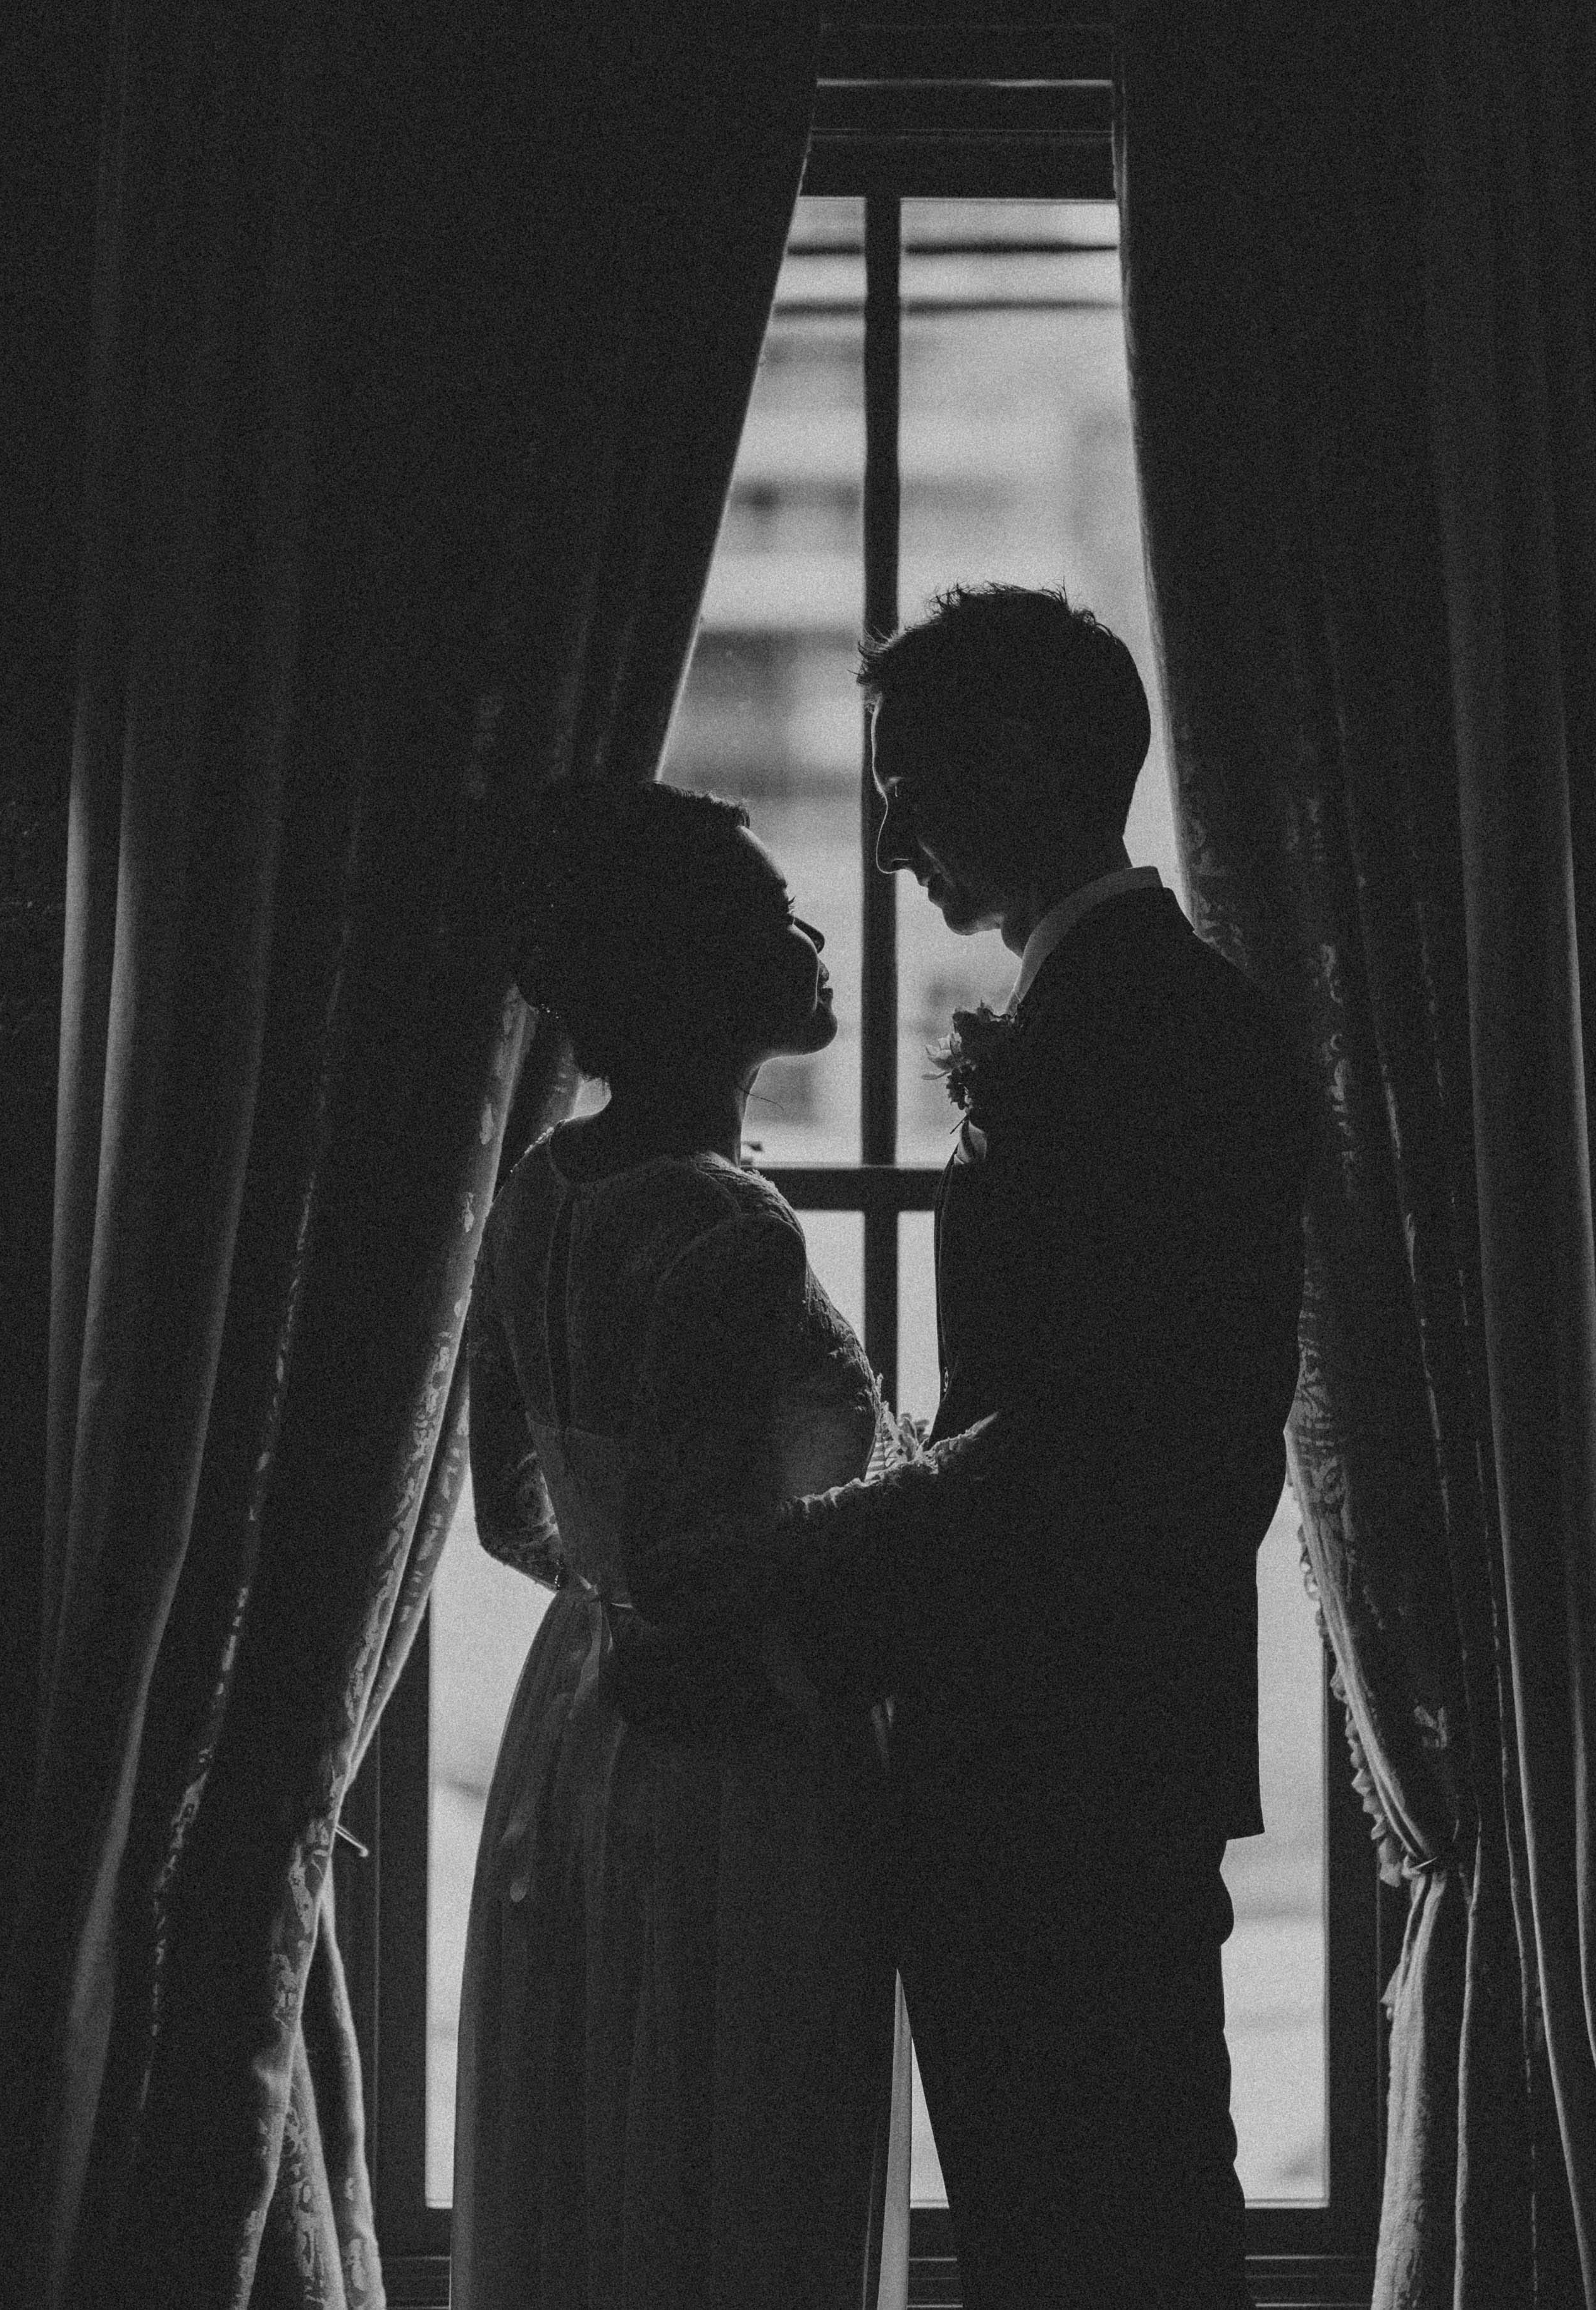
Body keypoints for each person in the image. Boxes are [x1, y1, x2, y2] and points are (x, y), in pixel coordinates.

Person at [745, 585, 1314, 2310]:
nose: (890, 835)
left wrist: (814, 1572)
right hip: (1074, 1725)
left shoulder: (1149, 1029)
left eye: (908, 784)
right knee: (1079, 2214)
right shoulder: (1134, 1012)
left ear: (1017, 762)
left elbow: (1114, 1427)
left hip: (1067, 1735)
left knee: (1097, 2217)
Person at [448, 779, 919, 2310]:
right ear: (706, 968)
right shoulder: (733, 1229)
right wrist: (908, 1515)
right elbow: (697, 1565)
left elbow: (512, 1514)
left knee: (601, 2136)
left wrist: (607, 1606)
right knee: (733, 2152)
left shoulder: (539, 1189)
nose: (813, 939)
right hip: (730, 1755)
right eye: (778, 912)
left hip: (575, 1726)